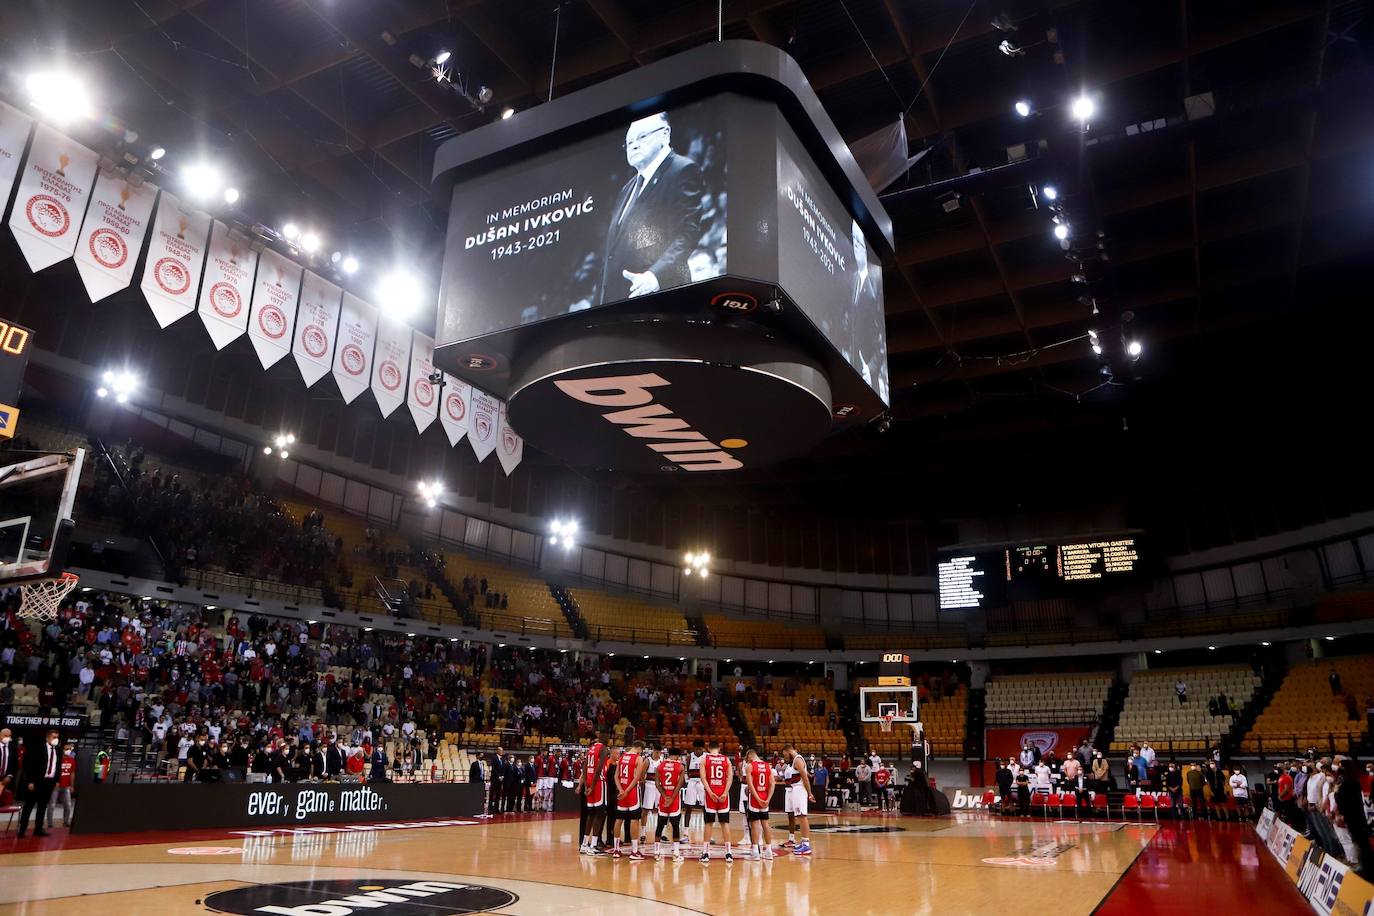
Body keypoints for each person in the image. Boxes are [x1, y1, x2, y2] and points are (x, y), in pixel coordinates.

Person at [601, 112, 704, 302]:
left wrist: (655, 276)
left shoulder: (682, 170)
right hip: (617, 306)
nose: (633, 145)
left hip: (660, 297)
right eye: (628, 142)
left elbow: (688, 233)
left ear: (665, 135)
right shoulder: (626, 189)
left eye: (641, 137)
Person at [17, 730, 61, 837]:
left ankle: (38, 829)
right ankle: (22, 830)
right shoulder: (38, 749)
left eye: (57, 737)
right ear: (47, 738)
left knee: (42, 806)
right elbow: (30, 766)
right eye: (54, 737)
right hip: (36, 782)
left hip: (49, 782)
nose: (56, 739)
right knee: (29, 806)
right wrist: (30, 781)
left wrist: (56, 780)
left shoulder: (58, 750)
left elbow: (58, 766)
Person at [1333, 756, 1372, 876]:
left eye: (1341, 766)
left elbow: (1345, 801)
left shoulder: (1349, 782)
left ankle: (1367, 869)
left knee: (1361, 843)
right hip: (1354, 817)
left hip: (1355, 818)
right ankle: (1365, 866)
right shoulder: (1349, 781)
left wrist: (1336, 793)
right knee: (1358, 842)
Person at [701, 739, 734, 864]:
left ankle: (705, 853)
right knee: (724, 823)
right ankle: (728, 853)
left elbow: (703, 778)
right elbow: (730, 777)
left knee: (709, 823)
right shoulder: (726, 759)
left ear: (708, 749)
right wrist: (725, 792)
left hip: (711, 794)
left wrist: (710, 792)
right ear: (719, 748)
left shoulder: (705, 759)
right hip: (723, 793)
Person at [779, 743, 815, 856]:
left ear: (789, 751)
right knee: (800, 816)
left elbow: (805, 778)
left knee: (802, 816)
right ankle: (803, 842)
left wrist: (809, 793)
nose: (785, 758)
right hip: (795, 789)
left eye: (785, 755)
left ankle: (806, 845)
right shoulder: (794, 760)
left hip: (800, 789)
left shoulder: (798, 759)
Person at [653, 747, 686, 861]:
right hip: (674, 799)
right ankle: (676, 853)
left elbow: (657, 783)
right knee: (675, 826)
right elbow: (679, 785)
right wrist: (671, 798)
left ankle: (656, 852)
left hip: (663, 798)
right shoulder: (680, 767)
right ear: (677, 756)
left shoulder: (660, 766)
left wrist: (664, 795)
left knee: (660, 825)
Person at [743, 748, 776, 860]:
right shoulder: (767, 766)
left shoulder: (750, 766)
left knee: (755, 825)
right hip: (765, 797)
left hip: (755, 799)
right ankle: (769, 851)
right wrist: (768, 800)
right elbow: (772, 784)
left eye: (747, 759)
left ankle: (756, 851)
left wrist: (757, 798)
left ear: (750, 757)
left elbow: (751, 785)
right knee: (765, 825)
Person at [578, 736, 608, 855]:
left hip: (589, 782)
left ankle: (584, 844)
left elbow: (584, 767)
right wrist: (592, 786)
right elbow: (599, 768)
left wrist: (586, 785)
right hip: (598, 783)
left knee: (590, 814)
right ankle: (593, 845)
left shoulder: (591, 749)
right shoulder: (603, 749)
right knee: (599, 814)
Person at [0, 729, 16, 800]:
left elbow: (14, 764)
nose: (7, 737)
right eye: (5, 736)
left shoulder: (13, 748)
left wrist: (9, 775)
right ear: (0, 736)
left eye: (9, 736)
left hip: (5, 779)